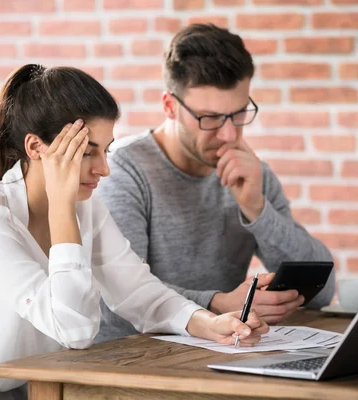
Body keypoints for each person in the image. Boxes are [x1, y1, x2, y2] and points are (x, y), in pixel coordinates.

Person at [0, 64, 268, 400]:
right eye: (87, 153)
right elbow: (74, 330)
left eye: (106, 150)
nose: (104, 169)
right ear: (36, 147)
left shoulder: (84, 209)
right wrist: (60, 206)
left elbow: (139, 292)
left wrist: (207, 323)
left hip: (24, 389)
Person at [94, 24, 335, 344]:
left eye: (238, 114)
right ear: (169, 106)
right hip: (125, 362)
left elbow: (323, 292)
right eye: (209, 118)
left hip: (216, 356)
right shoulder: (122, 171)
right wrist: (217, 303)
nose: (228, 134)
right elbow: (116, 297)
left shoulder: (250, 173)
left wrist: (257, 210)